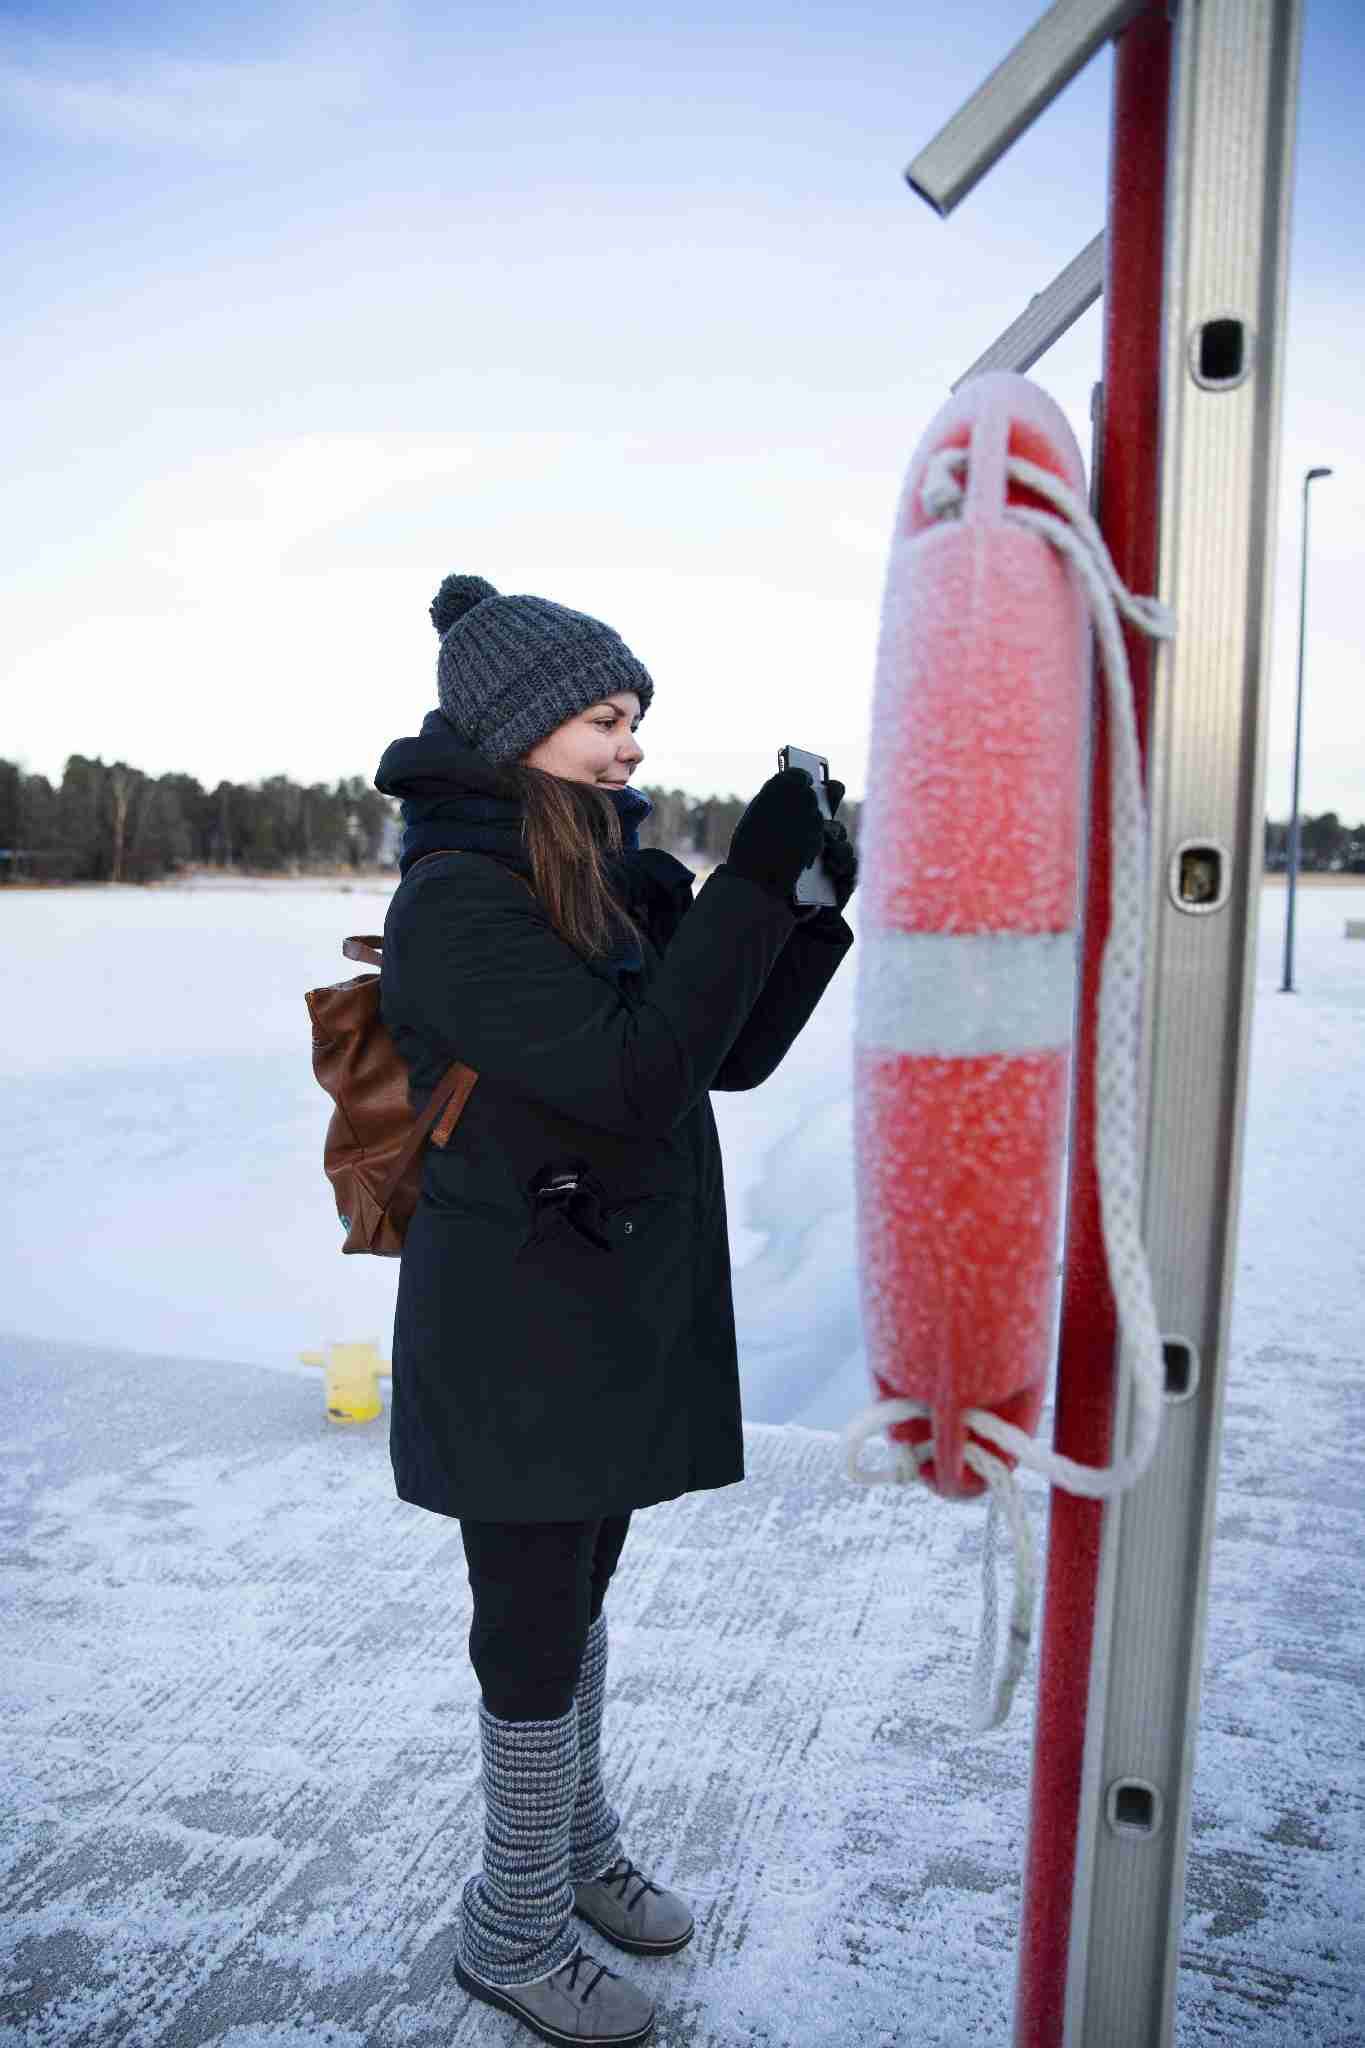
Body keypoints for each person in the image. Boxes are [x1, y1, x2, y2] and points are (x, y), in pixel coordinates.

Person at [373, 573, 858, 2046]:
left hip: (597, 1304)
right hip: (511, 1325)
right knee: (527, 1624)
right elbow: (630, 1077)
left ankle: (571, 1853)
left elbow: (724, 1059)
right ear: (519, 731)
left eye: (635, 715)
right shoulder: (458, 902)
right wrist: (743, 892)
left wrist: (807, 905)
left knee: (577, 1603)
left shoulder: (576, 874)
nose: (630, 744)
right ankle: (508, 1927)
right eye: (601, 718)